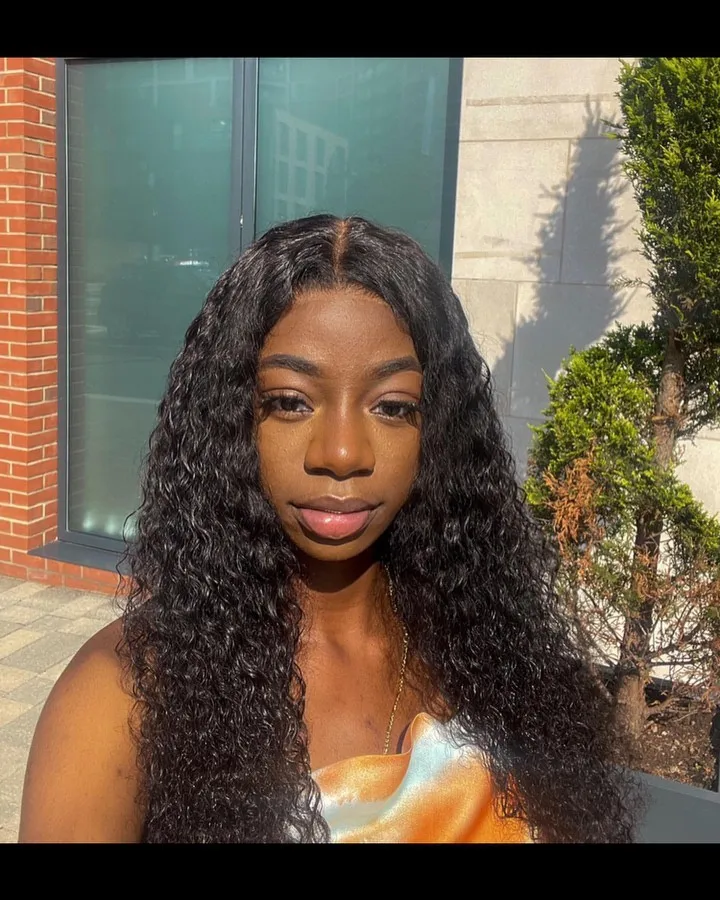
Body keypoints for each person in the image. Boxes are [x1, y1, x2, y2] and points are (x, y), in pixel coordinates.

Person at [19, 215, 642, 843]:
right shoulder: (120, 695)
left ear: (439, 431)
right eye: (290, 402)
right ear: (229, 421)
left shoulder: (496, 655)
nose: (342, 454)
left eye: (392, 407)